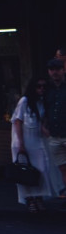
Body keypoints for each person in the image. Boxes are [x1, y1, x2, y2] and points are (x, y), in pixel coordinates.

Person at [12, 77, 64, 213]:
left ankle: (39, 196)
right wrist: (20, 144)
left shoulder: (41, 103)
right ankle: (29, 198)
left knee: (42, 169)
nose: (41, 89)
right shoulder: (24, 101)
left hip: (38, 140)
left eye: (43, 87)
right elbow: (17, 122)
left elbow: (40, 123)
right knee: (26, 169)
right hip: (26, 140)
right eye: (38, 87)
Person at [44, 58, 66, 193]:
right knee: (63, 169)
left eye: (57, 69)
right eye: (52, 70)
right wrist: (44, 128)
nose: (55, 73)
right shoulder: (46, 89)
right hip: (54, 135)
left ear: (63, 70)